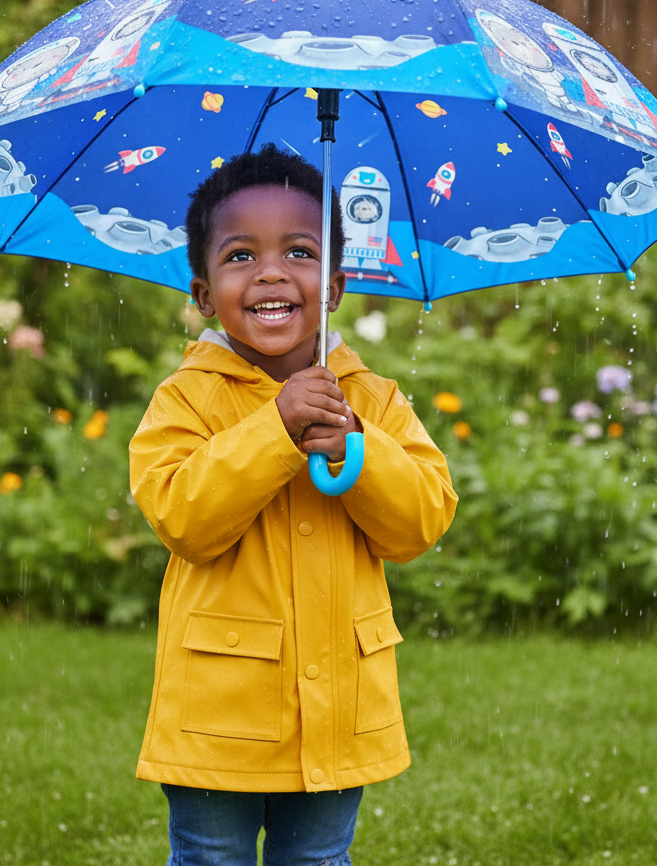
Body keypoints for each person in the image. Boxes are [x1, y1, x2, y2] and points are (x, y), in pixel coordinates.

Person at [129, 143, 458, 866]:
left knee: (316, 860)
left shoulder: (371, 399)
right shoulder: (186, 399)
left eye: (300, 252)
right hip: (220, 709)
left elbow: (421, 521)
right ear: (203, 293)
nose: (272, 272)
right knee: (210, 858)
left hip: (338, 706)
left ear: (335, 286)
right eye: (240, 256)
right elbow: (185, 518)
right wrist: (274, 429)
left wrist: (354, 446)